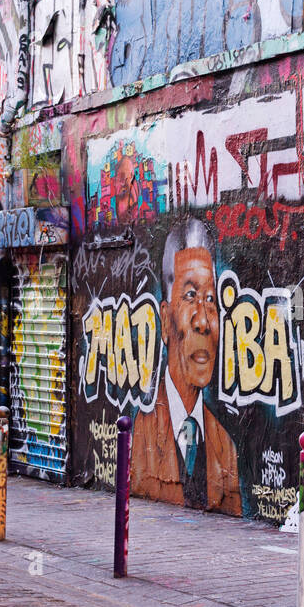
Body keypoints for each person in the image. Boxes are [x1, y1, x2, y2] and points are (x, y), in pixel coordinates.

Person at [130, 218, 242, 515]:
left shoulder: (224, 448)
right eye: (191, 296)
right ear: (166, 321)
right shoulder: (137, 436)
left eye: (210, 299)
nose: (204, 321)